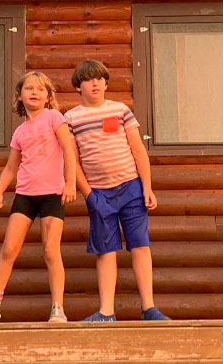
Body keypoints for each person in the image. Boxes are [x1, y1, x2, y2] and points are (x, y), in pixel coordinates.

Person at [64, 60, 170, 322]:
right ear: (79, 87)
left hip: (131, 187)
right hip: (99, 193)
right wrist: (88, 194)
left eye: (100, 79)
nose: (96, 83)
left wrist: (147, 188)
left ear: (106, 83)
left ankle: (149, 308)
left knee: (140, 245)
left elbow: (138, 150)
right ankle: (106, 311)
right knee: (105, 250)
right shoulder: (71, 118)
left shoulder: (121, 110)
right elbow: (72, 160)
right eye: (89, 79)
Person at [0, 71, 76, 324]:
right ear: (20, 96)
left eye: (40, 89)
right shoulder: (20, 132)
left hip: (53, 193)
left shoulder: (54, 118)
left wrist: (70, 183)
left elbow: (68, 150)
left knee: (51, 250)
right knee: (9, 248)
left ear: (48, 96)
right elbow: (11, 167)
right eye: (29, 88)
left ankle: (57, 307)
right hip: (25, 195)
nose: (34, 92)